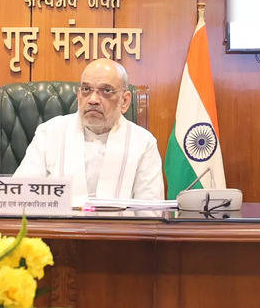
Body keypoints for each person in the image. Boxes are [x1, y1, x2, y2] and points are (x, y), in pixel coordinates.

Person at [13, 58, 164, 203]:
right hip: (59, 228)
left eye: (106, 90)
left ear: (124, 101)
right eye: (86, 89)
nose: (93, 100)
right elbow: (20, 197)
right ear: (79, 95)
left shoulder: (143, 143)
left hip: (119, 230)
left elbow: (150, 213)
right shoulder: (49, 133)